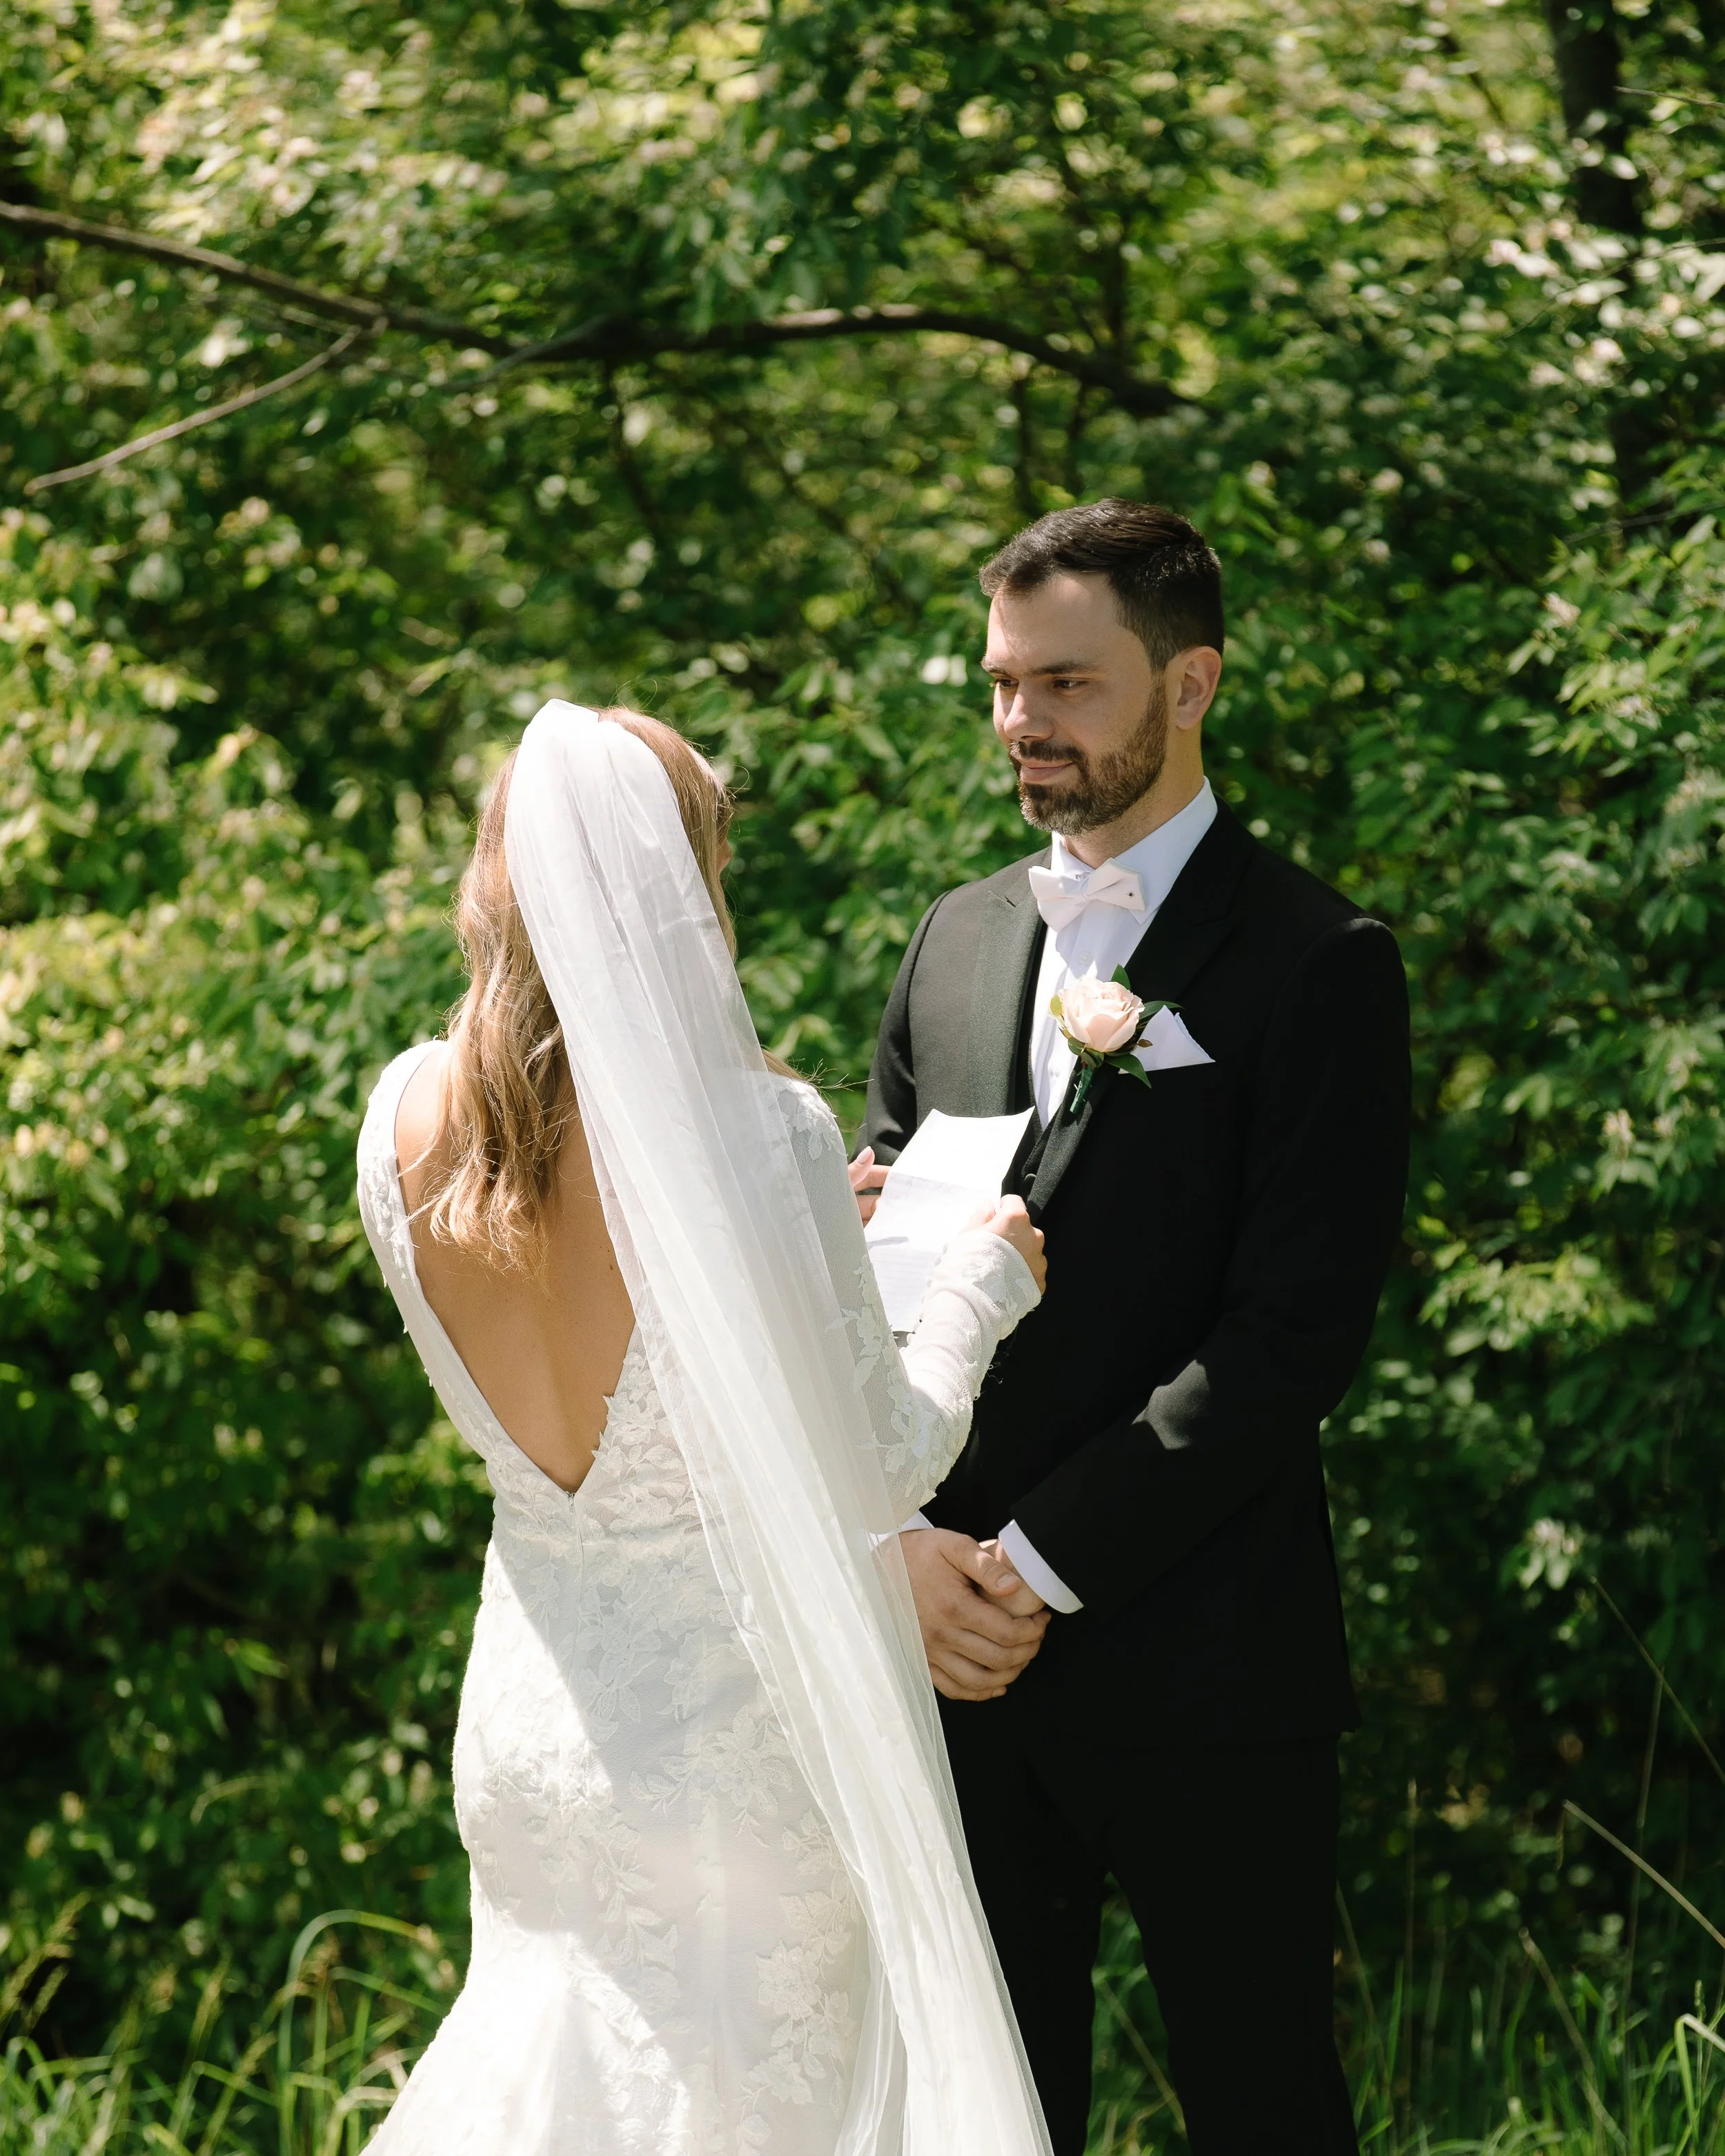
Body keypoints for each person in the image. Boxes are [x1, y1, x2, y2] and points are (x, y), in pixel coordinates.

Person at [354, 702, 1056, 2156]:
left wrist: (782, 1255)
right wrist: (981, 1285)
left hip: (531, 1734)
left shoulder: (403, 1115)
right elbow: (890, 1453)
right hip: (728, 1753)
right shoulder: (763, 1132)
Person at [858, 500, 1412, 2155]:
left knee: (1263, 2110)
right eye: (1002, 682)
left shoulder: (1320, 960)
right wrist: (909, 1546)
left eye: (1067, 684)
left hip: (1208, 1661)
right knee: (976, 2118)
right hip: (951, 1661)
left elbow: (1288, 1339)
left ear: (1191, 683)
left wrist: (1030, 1559)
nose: (1022, 720)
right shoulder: (952, 938)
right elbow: (870, 1287)